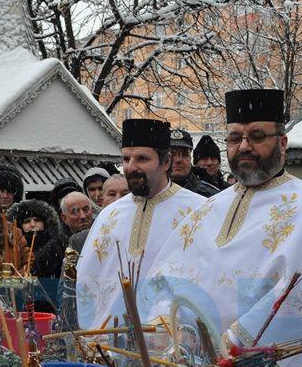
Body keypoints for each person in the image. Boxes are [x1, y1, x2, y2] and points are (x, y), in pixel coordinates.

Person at [144, 89, 302, 367]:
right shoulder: (209, 208)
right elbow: (169, 276)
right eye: (234, 138)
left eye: (257, 136)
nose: (243, 146)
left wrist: (227, 346)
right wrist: (171, 330)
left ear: (282, 143)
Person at [76, 118, 205, 329]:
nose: (131, 167)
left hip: (172, 339)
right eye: (126, 159)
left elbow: (205, 281)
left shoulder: (197, 212)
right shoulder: (109, 215)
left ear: (166, 162)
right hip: (110, 339)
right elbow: (88, 280)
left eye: (142, 159)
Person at [8, 199, 67, 311]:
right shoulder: (14, 248)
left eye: (37, 220)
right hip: (23, 305)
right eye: (27, 221)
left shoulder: (57, 245)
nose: (32, 224)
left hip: (54, 304)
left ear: (45, 223)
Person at [169, 129, 219, 197]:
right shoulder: (154, 193)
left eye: (184, 154)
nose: (178, 160)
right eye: (172, 154)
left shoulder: (209, 196)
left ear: (190, 158)